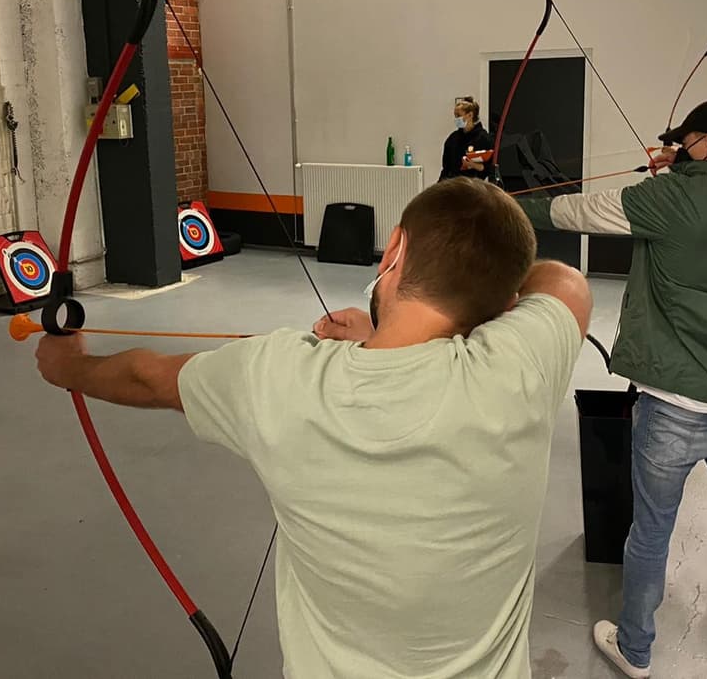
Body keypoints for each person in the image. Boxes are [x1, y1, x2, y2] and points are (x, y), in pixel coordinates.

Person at [35, 178, 593, 679]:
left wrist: (68, 368)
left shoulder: (280, 376)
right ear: (509, 304)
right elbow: (565, 282)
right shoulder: (520, 367)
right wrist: (483, 297)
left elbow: (148, 378)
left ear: (393, 249)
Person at [524, 99, 707, 679]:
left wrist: (494, 200)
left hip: (674, 405)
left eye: (687, 140)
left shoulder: (667, 198)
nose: (679, 148)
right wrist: (684, 167)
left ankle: (636, 649)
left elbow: (570, 210)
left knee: (650, 532)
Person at [439, 97, 493, 180]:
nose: (456, 119)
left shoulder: (483, 138)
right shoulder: (452, 138)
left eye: (459, 116)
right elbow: (446, 168)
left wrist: (473, 165)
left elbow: (488, 169)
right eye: (455, 116)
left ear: (470, 115)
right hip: (454, 183)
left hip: (473, 184)